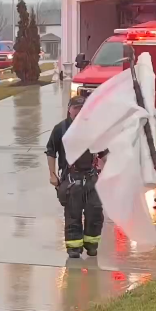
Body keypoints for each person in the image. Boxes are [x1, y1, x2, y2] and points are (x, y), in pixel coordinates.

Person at [47, 94, 106, 259]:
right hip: (71, 180)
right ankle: (74, 248)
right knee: (72, 216)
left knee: (95, 213)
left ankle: (92, 245)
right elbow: (51, 152)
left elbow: (104, 153)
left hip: (92, 178)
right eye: (76, 108)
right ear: (69, 110)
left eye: (83, 108)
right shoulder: (60, 129)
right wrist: (52, 174)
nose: (79, 111)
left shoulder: (94, 128)